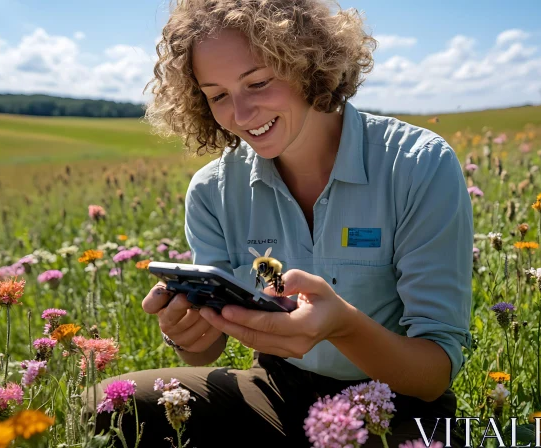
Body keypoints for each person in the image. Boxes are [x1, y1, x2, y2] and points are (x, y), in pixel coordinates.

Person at [85, 0, 473, 446]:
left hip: (397, 406)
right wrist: (186, 331)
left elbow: (433, 374)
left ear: (309, 63)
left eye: (259, 82)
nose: (242, 113)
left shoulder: (418, 164)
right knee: (111, 407)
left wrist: (342, 326)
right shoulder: (213, 190)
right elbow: (206, 349)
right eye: (217, 95)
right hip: (274, 392)